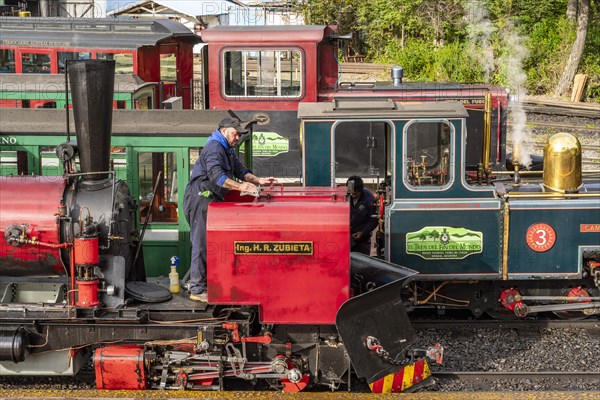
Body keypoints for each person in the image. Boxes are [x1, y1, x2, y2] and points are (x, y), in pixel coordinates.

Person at [184, 117, 272, 302]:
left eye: (239, 134)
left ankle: (198, 281)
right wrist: (241, 187)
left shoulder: (226, 148)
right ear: (224, 131)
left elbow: (240, 170)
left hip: (211, 198)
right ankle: (197, 289)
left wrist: (258, 180)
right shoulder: (214, 148)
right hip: (201, 198)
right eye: (235, 133)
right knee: (201, 243)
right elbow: (217, 177)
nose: (237, 137)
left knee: (207, 243)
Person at [346, 176, 378, 255]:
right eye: (350, 193)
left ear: (360, 191)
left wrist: (362, 232)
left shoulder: (369, 198)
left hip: (362, 241)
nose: (352, 195)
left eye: (354, 193)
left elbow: (373, 220)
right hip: (346, 238)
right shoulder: (344, 196)